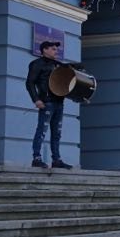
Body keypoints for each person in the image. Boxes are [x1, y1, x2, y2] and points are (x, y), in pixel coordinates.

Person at [26, 40, 73, 169]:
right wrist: (36, 99)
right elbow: (30, 83)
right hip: (46, 102)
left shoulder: (57, 65)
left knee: (57, 132)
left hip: (59, 102)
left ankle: (56, 159)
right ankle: (36, 157)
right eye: (53, 49)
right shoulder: (36, 64)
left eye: (56, 49)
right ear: (44, 50)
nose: (55, 51)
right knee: (42, 130)